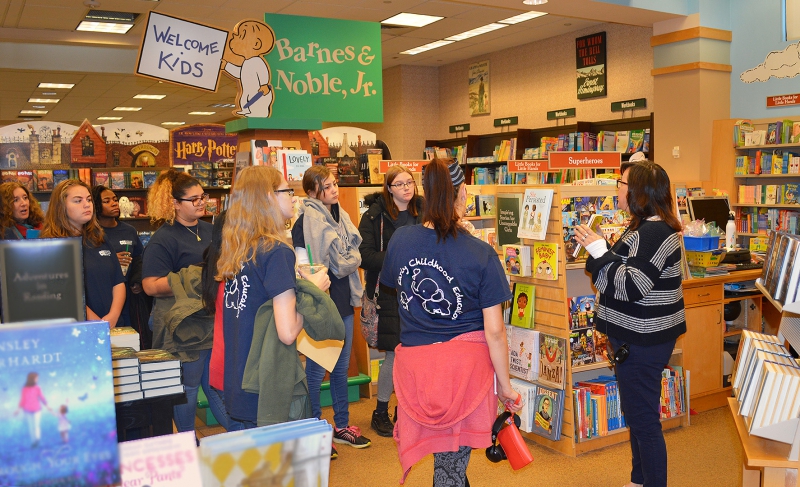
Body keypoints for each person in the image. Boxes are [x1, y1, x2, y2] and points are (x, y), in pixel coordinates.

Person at [380, 159, 521, 486]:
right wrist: (505, 386)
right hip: (462, 374)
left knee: (447, 464)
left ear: (424, 194)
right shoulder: (480, 253)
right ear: (463, 194)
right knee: (450, 470)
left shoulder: (401, 240)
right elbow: (495, 332)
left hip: (416, 371)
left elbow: (394, 288)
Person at [578, 159, 685, 487]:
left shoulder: (654, 231)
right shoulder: (640, 225)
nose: (618, 190)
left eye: (622, 185)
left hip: (644, 340)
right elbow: (603, 275)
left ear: (637, 192)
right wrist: (600, 255)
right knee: (637, 414)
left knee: (643, 420)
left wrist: (600, 253)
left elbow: (631, 286)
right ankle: (640, 479)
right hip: (633, 337)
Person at [209, 166, 332, 429]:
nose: (293, 197)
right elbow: (287, 331)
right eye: (287, 190)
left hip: (238, 377)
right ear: (268, 197)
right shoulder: (276, 251)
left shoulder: (239, 247)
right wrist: (313, 290)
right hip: (264, 382)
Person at [142, 169, 228, 434]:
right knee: (188, 388)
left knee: (216, 385)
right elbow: (149, 285)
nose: (202, 202)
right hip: (184, 327)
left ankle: (244, 437)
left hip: (212, 320)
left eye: (203, 196)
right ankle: (188, 445)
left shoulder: (211, 229)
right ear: (175, 204)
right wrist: (192, 278)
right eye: (194, 199)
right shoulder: (164, 238)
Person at [292, 165, 370, 452]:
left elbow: (355, 255)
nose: (334, 189)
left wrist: (348, 260)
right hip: (319, 302)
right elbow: (304, 268)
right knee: (316, 369)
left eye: (335, 183)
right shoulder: (305, 222)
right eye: (327, 186)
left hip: (343, 298)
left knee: (340, 368)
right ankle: (314, 429)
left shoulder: (342, 215)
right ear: (312, 192)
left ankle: (342, 426)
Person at [358, 164, 424, 438]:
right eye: (399, 184)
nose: (406, 188)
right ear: (388, 188)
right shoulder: (373, 216)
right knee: (394, 354)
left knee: (419, 354)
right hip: (388, 292)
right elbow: (365, 256)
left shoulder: (424, 209)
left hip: (421, 290)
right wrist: (401, 256)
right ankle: (380, 411)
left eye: (409, 182)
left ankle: (408, 411)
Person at [42, 180, 126, 327]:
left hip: (112, 324)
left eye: (88, 200)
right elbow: (64, 294)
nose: (87, 205)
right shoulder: (51, 245)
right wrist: (95, 321)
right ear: (61, 207)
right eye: (77, 201)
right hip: (76, 328)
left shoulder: (99, 237)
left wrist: (113, 316)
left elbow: (118, 282)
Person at [92, 186, 147, 333]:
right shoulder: (91, 233)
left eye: (115, 200)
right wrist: (110, 260)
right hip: (102, 295)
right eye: (107, 201)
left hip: (129, 295)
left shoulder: (129, 230)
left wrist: (138, 280)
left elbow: (138, 259)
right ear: (96, 205)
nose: (114, 203)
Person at [14, 372, 49, 448]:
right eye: (36, 378)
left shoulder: (38, 387)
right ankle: (34, 442)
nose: (37, 380)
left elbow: (42, 397)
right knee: (31, 427)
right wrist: (18, 409)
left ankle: (37, 439)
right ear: (32, 379)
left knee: (36, 426)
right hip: (27, 410)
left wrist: (47, 406)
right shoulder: (24, 389)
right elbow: (22, 400)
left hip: (37, 409)